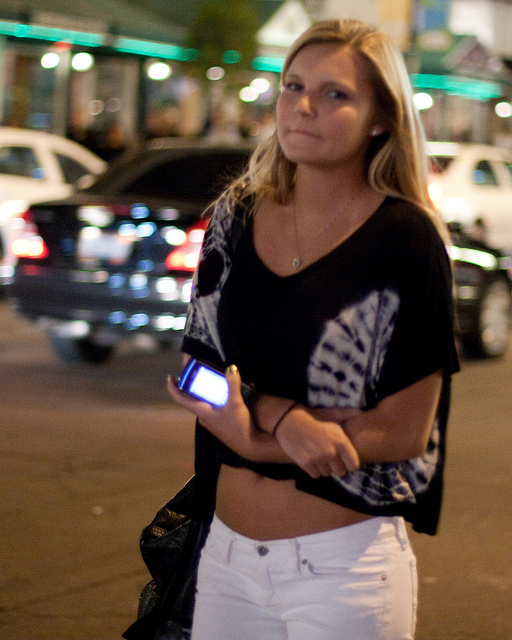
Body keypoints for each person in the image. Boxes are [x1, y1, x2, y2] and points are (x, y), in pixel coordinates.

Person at [167, 18, 459, 640]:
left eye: (335, 94)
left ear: (380, 119)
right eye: (293, 86)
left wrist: (253, 441)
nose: (303, 107)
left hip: (341, 572)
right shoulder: (235, 216)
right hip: (226, 560)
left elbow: (404, 431)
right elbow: (194, 374)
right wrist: (282, 418)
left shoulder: (406, 240)